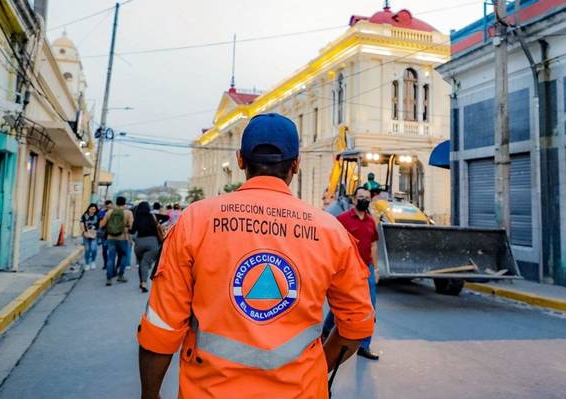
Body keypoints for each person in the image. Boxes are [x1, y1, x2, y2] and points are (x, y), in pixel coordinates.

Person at [138, 113, 374, 399]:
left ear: (240, 160)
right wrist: (315, 370)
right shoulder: (329, 231)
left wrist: (150, 395)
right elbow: (357, 324)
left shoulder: (195, 221)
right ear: (296, 164)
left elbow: (162, 325)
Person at [322, 186, 380, 360]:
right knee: (342, 307)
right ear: (354, 199)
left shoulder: (371, 221)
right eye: (361, 196)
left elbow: (374, 245)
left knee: (368, 308)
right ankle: (326, 331)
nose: (364, 200)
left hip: (366, 268)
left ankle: (364, 346)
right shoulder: (342, 219)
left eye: (367, 197)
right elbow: (332, 242)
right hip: (347, 270)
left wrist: (376, 269)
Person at [100, 196, 134, 286]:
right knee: (124, 256)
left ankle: (109, 278)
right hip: (123, 238)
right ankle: (120, 275)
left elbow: (102, 224)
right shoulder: (128, 213)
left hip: (111, 238)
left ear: (116, 202)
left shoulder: (109, 212)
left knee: (111, 258)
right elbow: (131, 226)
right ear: (125, 203)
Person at [130, 202, 161, 293]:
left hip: (140, 243)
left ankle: (141, 281)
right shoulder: (153, 217)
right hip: (152, 243)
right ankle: (144, 282)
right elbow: (158, 228)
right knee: (146, 263)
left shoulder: (137, 218)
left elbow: (132, 231)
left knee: (141, 263)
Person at [80, 203, 100, 270]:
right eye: (91, 209)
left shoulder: (97, 216)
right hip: (86, 234)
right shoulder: (85, 215)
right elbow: (82, 223)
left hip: (94, 235)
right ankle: (87, 263)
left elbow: (100, 225)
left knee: (94, 249)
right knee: (87, 250)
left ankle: (93, 261)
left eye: (94, 209)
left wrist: (97, 231)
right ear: (88, 209)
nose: (92, 210)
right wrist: (84, 231)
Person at [98, 200, 113, 270]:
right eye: (107, 205)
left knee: (109, 250)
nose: (108, 206)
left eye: (109, 205)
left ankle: (108, 264)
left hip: (111, 233)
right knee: (105, 250)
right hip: (105, 233)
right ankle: (106, 263)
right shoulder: (103, 212)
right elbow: (100, 220)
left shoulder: (114, 212)